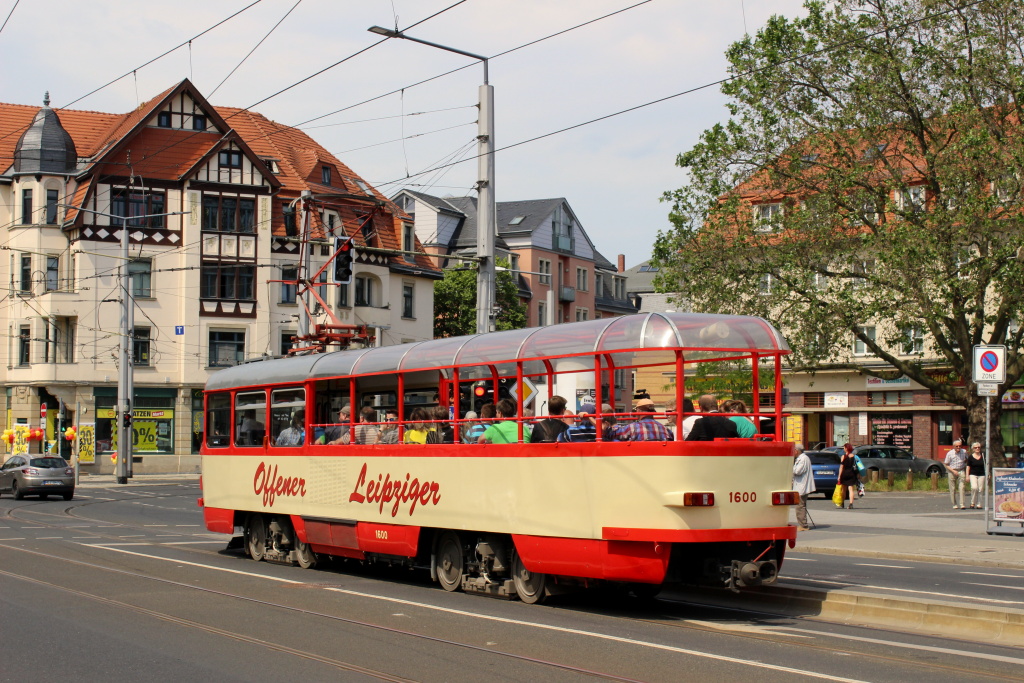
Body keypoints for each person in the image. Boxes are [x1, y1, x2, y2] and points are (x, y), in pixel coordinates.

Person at [792, 443, 813, 531]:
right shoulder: (802, 458)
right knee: (801, 505)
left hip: (801, 486)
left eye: (793, 450)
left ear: (797, 451)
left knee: (800, 506)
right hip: (800, 486)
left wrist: (790, 468)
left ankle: (803, 525)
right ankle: (803, 524)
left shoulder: (803, 459)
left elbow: (797, 471)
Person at [945, 438, 968, 509]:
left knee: (962, 487)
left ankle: (962, 504)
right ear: (953, 446)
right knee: (953, 488)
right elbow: (946, 464)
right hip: (952, 471)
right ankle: (954, 504)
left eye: (960, 446)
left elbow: (967, 459)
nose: (958, 447)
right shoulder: (949, 453)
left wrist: (965, 463)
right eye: (957, 446)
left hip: (961, 470)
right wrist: (953, 471)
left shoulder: (964, 452)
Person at [837, 443, 859, 509]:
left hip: (845, 474)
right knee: (851, 489)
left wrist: (839, 476)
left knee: (843, 489)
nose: (843, 449)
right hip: (852, 474)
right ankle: (851, 504)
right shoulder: (854, 456)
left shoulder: (843, 457)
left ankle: (842, 503)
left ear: (846, 448)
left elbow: (841, 467)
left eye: (844, 448)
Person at [966, 442, 986, 509]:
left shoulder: (983, 456)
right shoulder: (970, 457)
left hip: (982, 474)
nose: (977, 448)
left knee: (980, 489)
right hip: (973, 474)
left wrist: (988, 473)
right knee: (974, 488)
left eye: (978, 447)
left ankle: (979, 504)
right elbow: (968, 467)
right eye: (975, 447)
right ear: (973, 449)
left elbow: (986, 465)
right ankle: (972, 502)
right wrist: (967, 476)